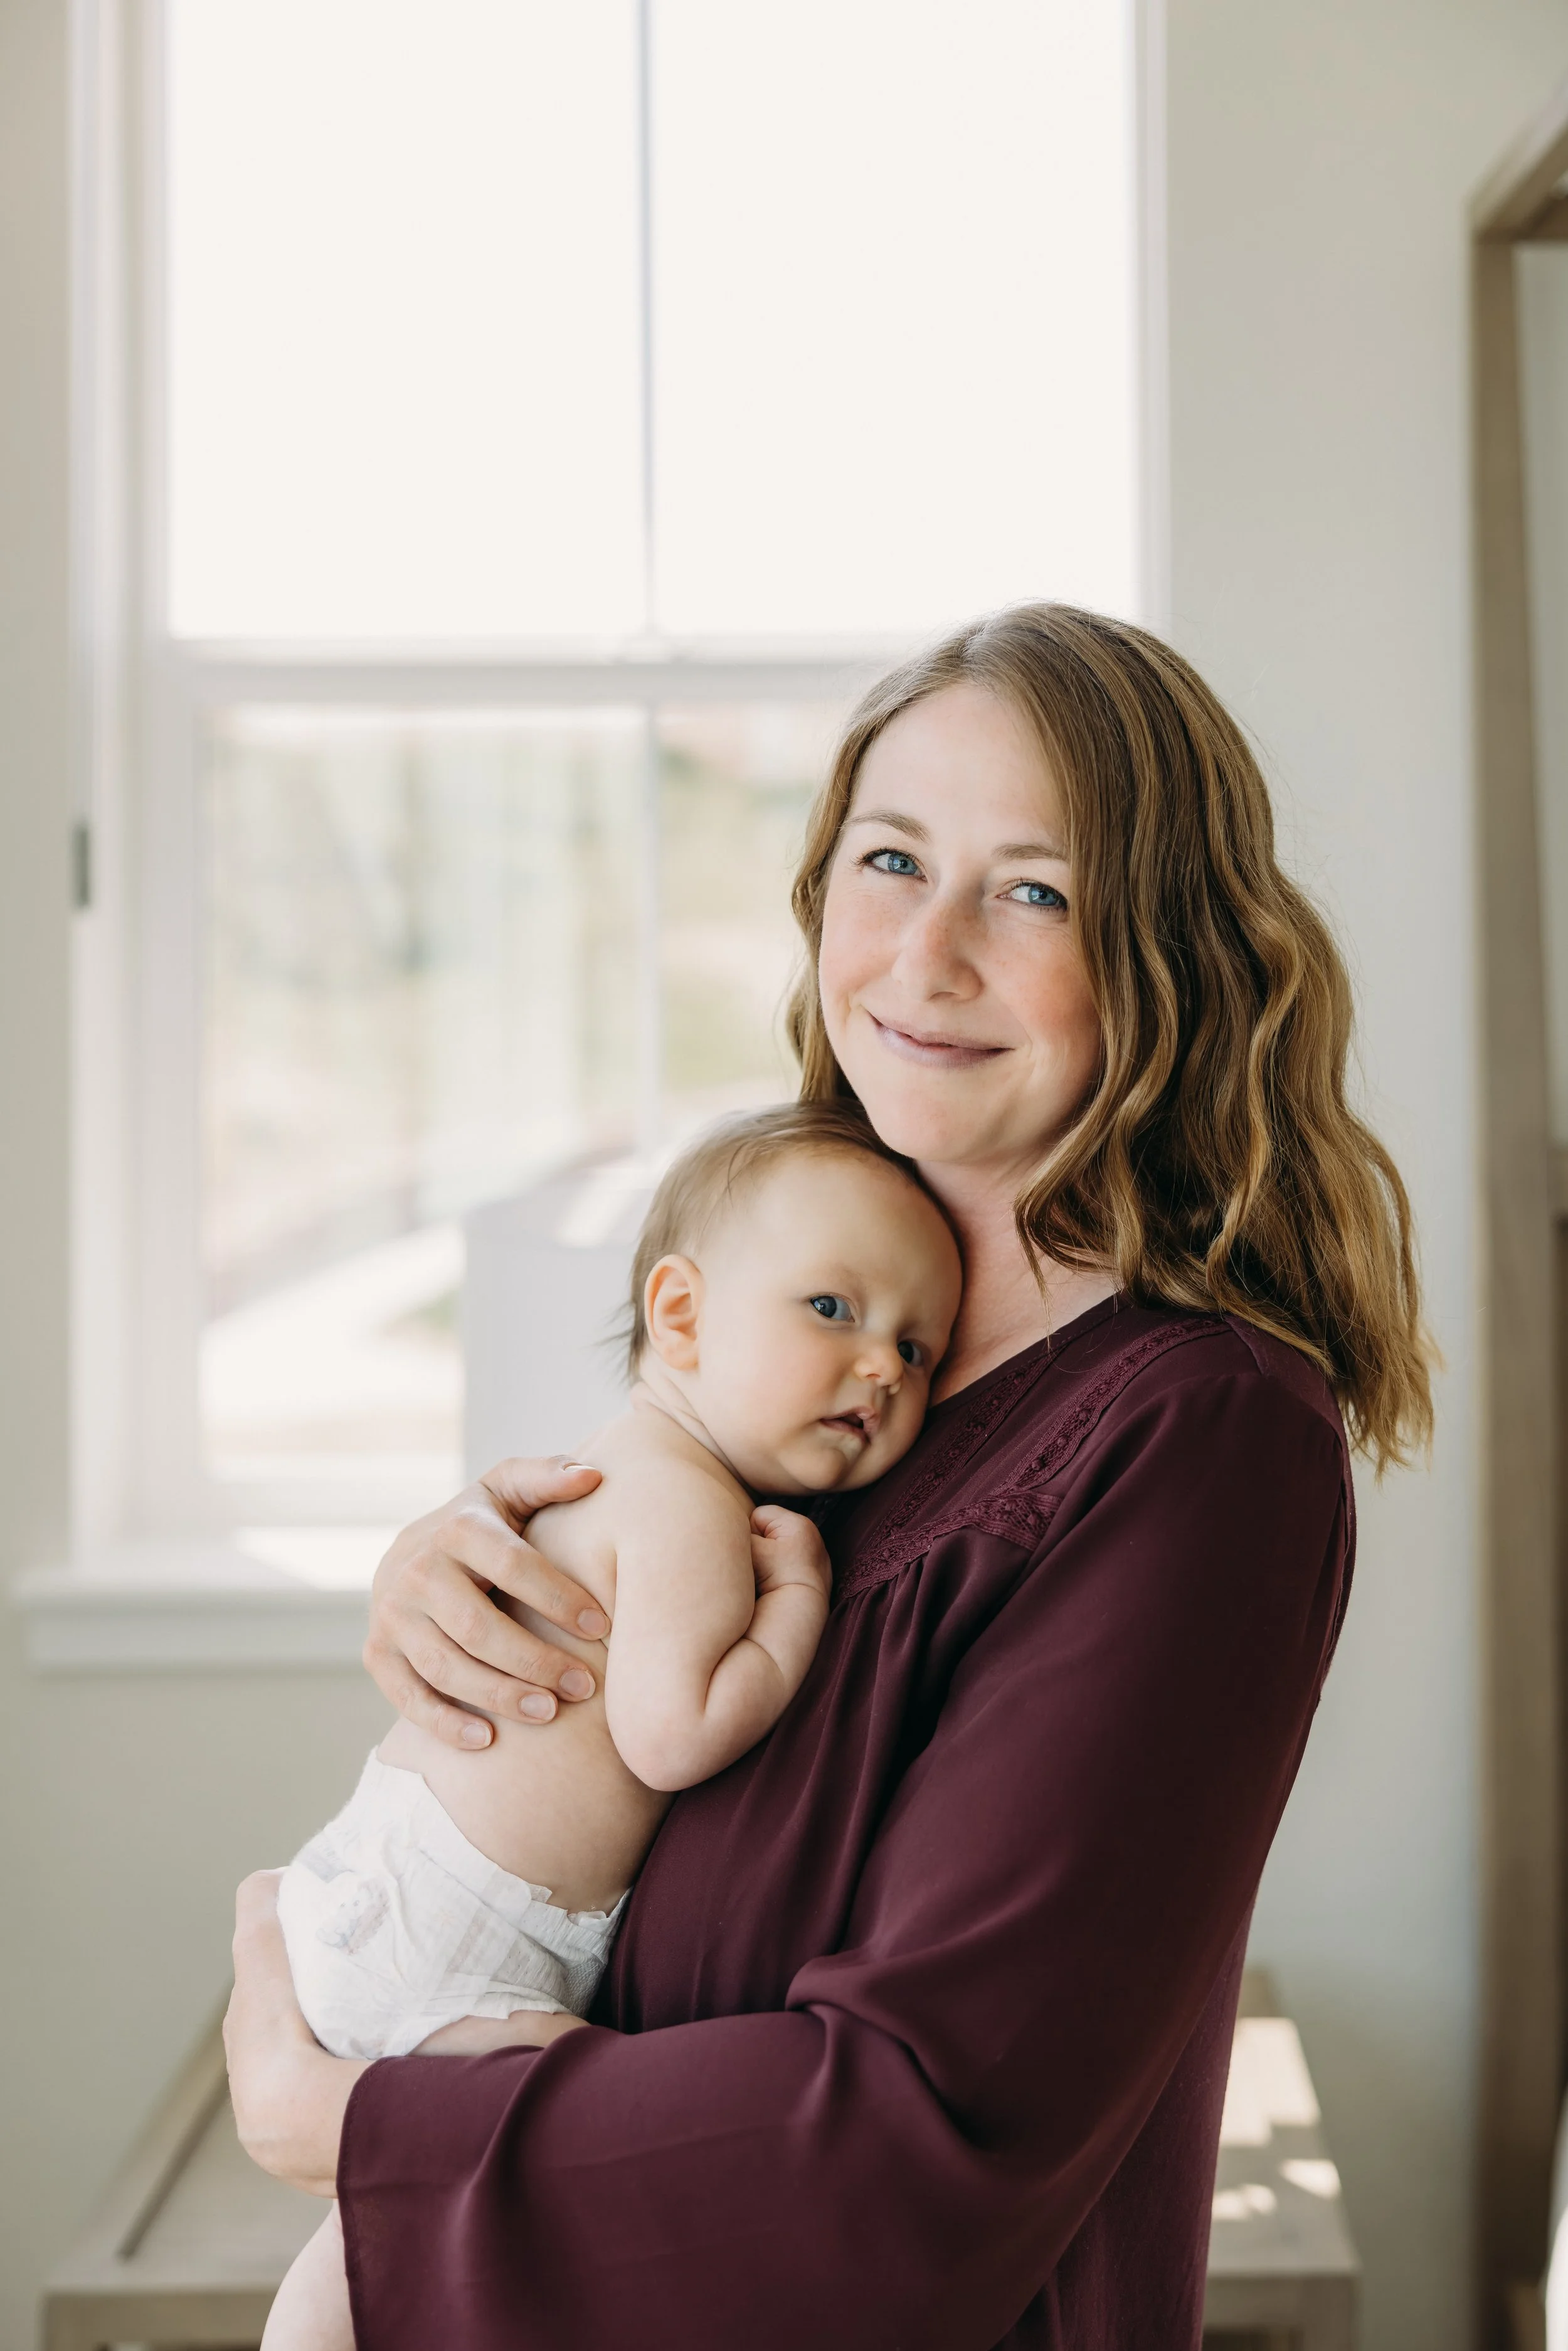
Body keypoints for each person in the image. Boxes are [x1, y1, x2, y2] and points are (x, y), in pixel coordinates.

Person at [225, 603, 1433, 2351]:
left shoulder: (1200, 1438)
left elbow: (923, 2130)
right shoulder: (802, 1356)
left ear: (1168, 954)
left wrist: (352, 2127)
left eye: (1033, 889)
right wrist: (469, 1569)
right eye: (889, 858)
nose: (923, 954)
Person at [260, 1103, 961, 2350]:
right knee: (562, 2158)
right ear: (680, 1312)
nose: (881, 1370)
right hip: (464, 1943)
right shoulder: (689, 1505)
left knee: (373, 2240)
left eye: (917, 1348)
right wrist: (795, 1604)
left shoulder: (608, 1458)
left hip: (383, 1880)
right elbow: (672, 1732)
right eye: (832, 1311)